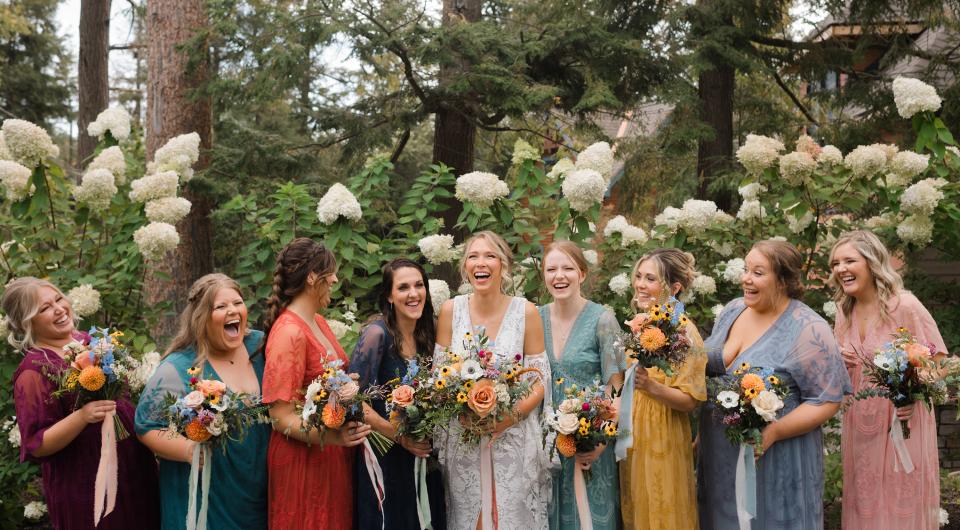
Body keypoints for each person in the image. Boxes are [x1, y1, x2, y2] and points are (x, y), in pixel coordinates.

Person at [697, 240, 851, 530]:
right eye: (745, 269)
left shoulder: (808, 329)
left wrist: (774, 431)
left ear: (783, 280)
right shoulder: (732, 310)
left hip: (774, 458)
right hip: (719, 457)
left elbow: (828, 400)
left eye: (758, 272)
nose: (746, 278)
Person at [4, 277, 159, 530]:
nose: (58, 309)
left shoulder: (88, 341)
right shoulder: (33, 372)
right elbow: (37, 444)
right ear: (26, 322)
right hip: (87, 484)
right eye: (44, 308)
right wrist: (81, 416)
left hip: (133, 469)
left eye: (58, 299)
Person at [434, 230, 552, 530]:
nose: (480, 263)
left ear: (503, 265)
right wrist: (463, 412)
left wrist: (506, 419)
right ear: (464, 267)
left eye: (489, 256)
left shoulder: (525, 312)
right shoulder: (450, 311)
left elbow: (540, 380)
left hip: (512, 439)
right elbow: (439, 378)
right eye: (473, 256)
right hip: (465, 440)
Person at [830, 230, 947, 529]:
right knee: (864, 500)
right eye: (835, 263)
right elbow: (837, 377)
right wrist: (838, 362)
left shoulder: (905, 306)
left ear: (871, 262)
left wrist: (914, 393)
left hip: (904, 423)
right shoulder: (844, 312)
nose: (840, 268)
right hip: (860, 425)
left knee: (899, 503)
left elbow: (942, 363)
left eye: (849, 260)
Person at [135, 273, 270, 529]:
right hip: (211, 490)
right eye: (221, 306)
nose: (233, 310)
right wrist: (188, 451)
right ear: (202, 318)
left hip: (259, 484)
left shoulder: (260, 346)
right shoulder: (179, 366)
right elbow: (146, 426)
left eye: (237, 302)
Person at [261, 238, 370, 530]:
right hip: (303, 459)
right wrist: (333, 438)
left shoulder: (318, 322)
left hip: (330, 455)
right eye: (330, 272)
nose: (335, 278)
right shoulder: (288, 333)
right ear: (312, 277)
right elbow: (279, 416)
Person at [350, 258, 446, 529]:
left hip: (423, 456)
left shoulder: (429, 334)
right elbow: (353, 401)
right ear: (389, 296)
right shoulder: (376, 335)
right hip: (385, 458)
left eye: (419, 285)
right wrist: (401, 437)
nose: (413, 294)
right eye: (403, 287)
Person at [538, 241, 624, 530]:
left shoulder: (603, 320)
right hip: (548, 442)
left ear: (582, 274)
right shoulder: (535, 319)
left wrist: (600, 440)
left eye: (567, 268)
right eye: (551, 269)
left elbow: (617, 387)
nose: (559, 276)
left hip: (591, 440)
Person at [619, 248, 705, 530]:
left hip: (663, 431)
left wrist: (651, 386)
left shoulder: (683, 332)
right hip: (634, 430)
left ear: (675, 287)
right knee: (639, 509)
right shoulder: (642, 324)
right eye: (639, 276)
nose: (641, 285)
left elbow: (690, 400)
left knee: (662, 510)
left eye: (650, 279)